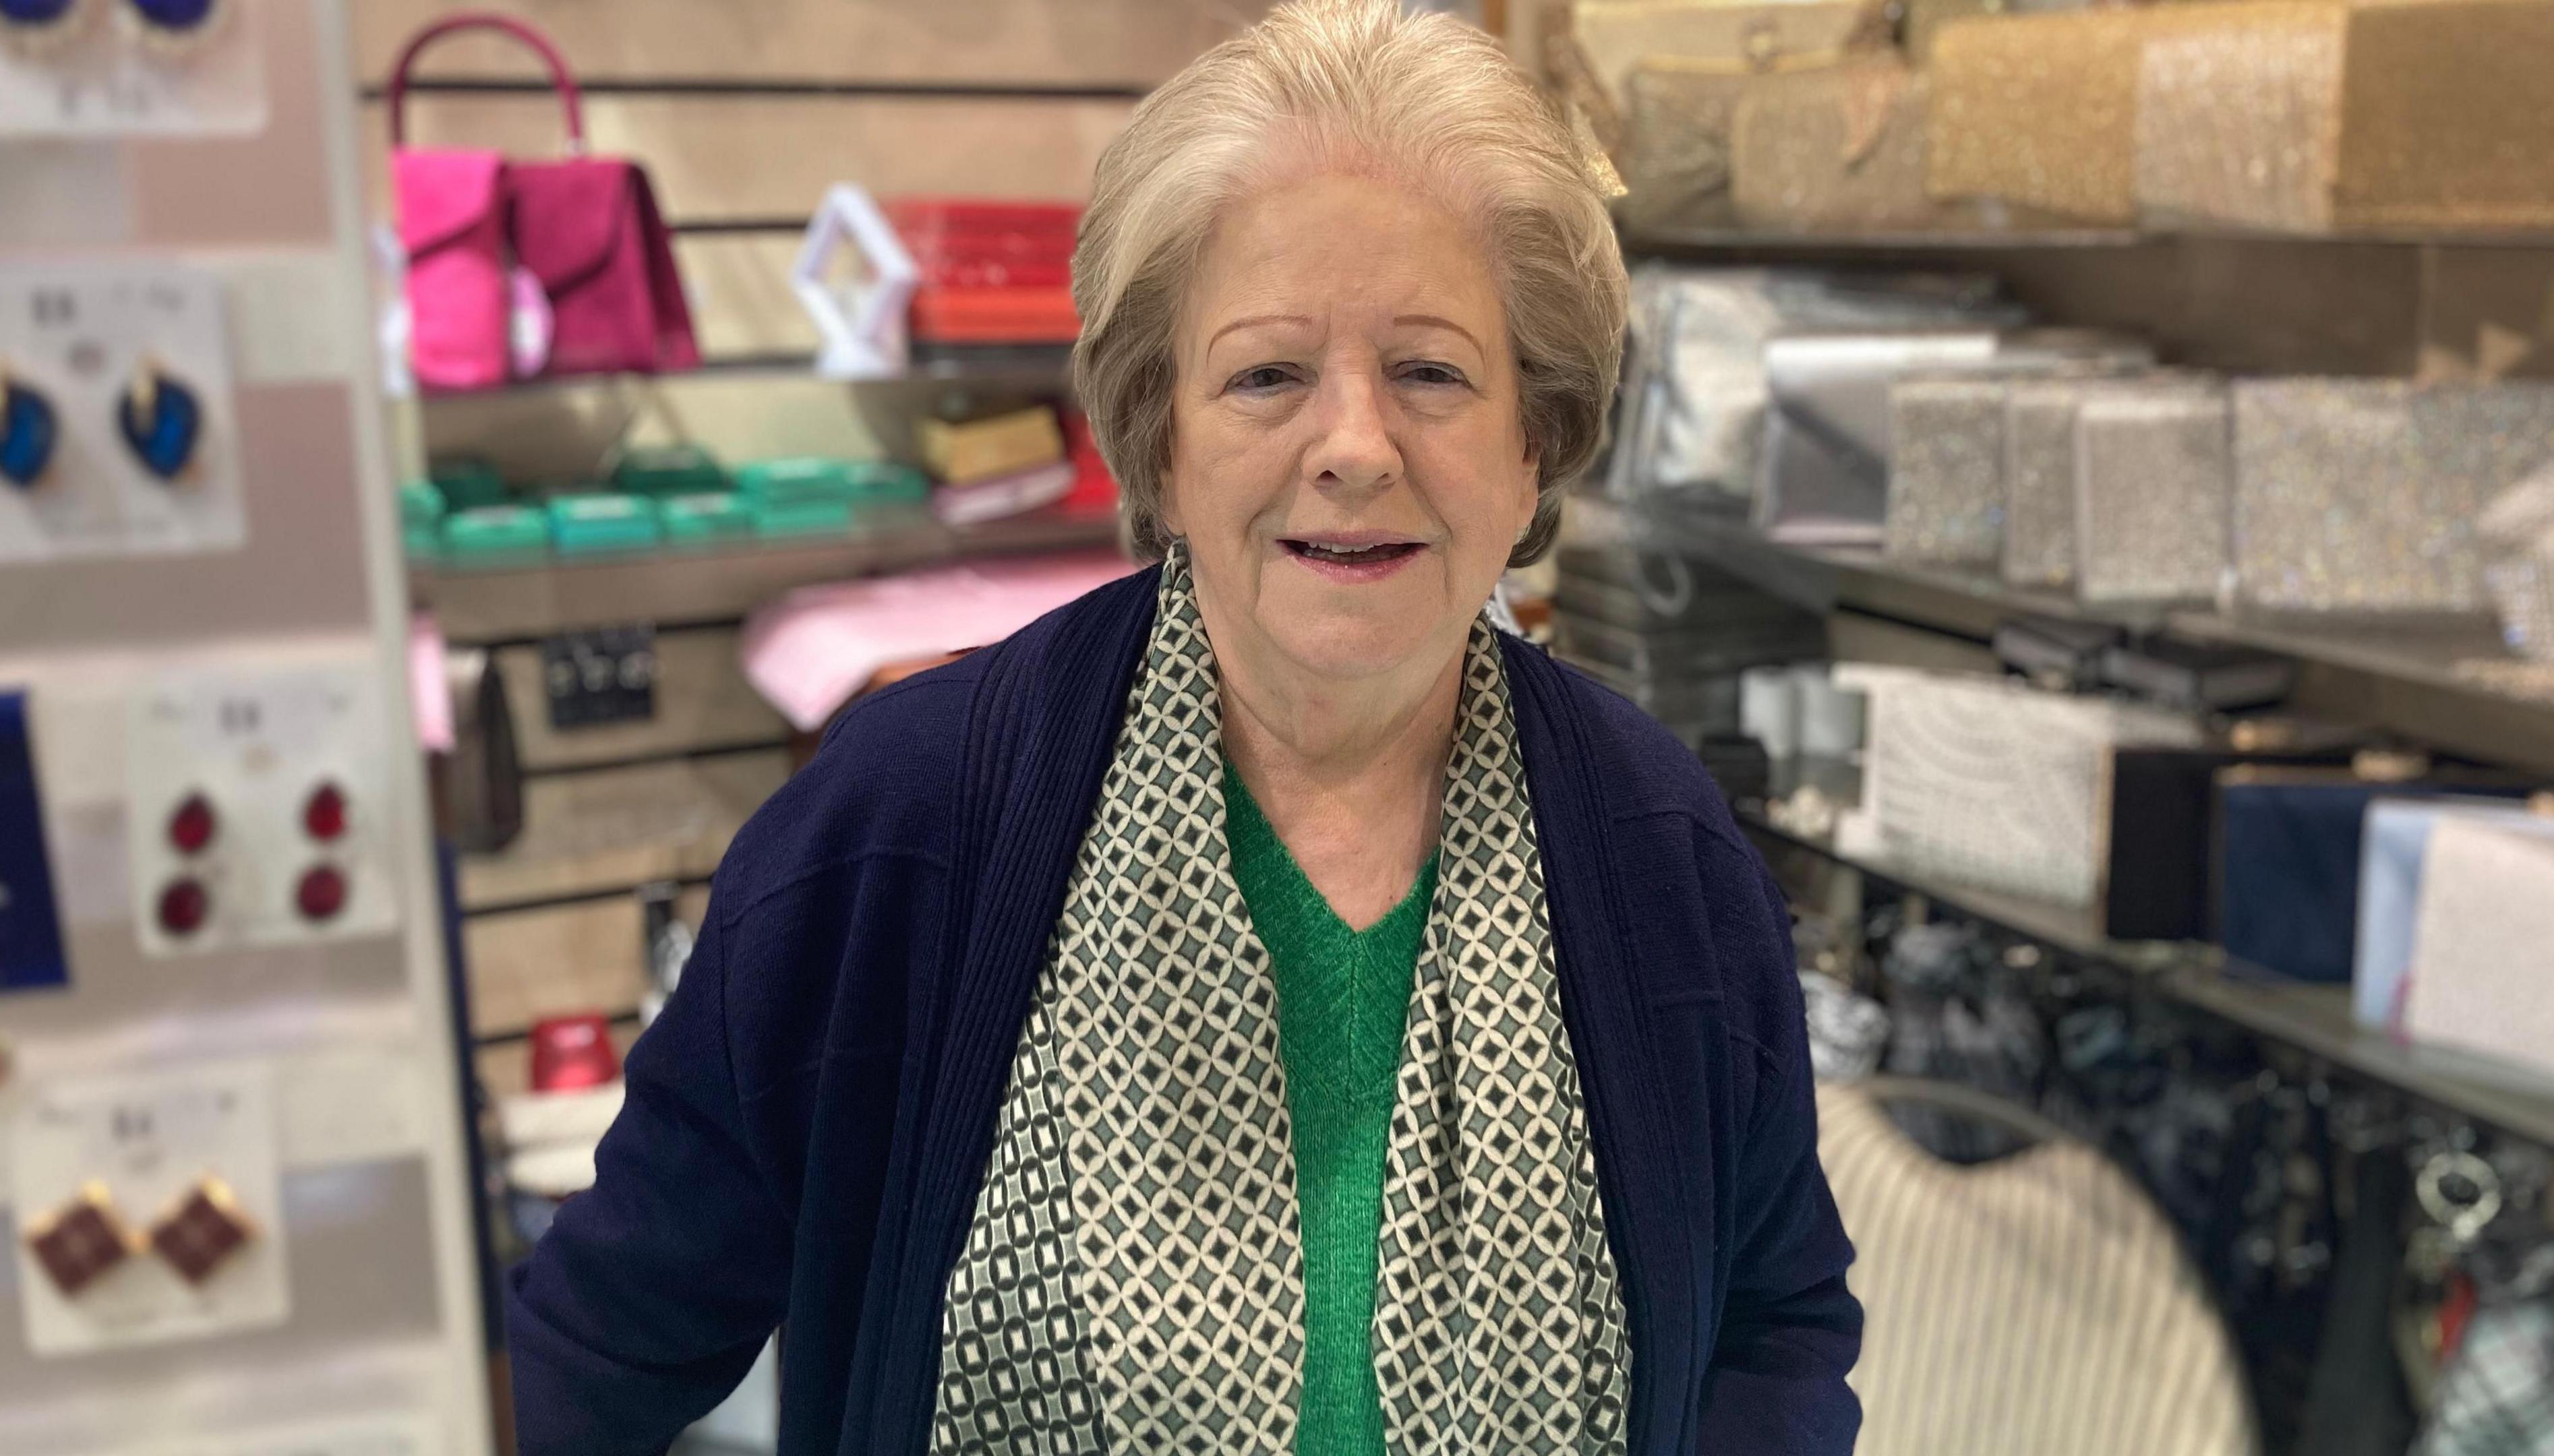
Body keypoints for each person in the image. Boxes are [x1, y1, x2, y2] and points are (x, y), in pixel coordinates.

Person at [505, 1, 1861, 1451]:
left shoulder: (1659, 854)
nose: (1353, 448)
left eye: (1433, 372)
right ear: (1158, 433)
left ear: (1534, 442)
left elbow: (1774, 1321)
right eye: (1268, 375)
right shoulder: (906, 828)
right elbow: (587, 1358)